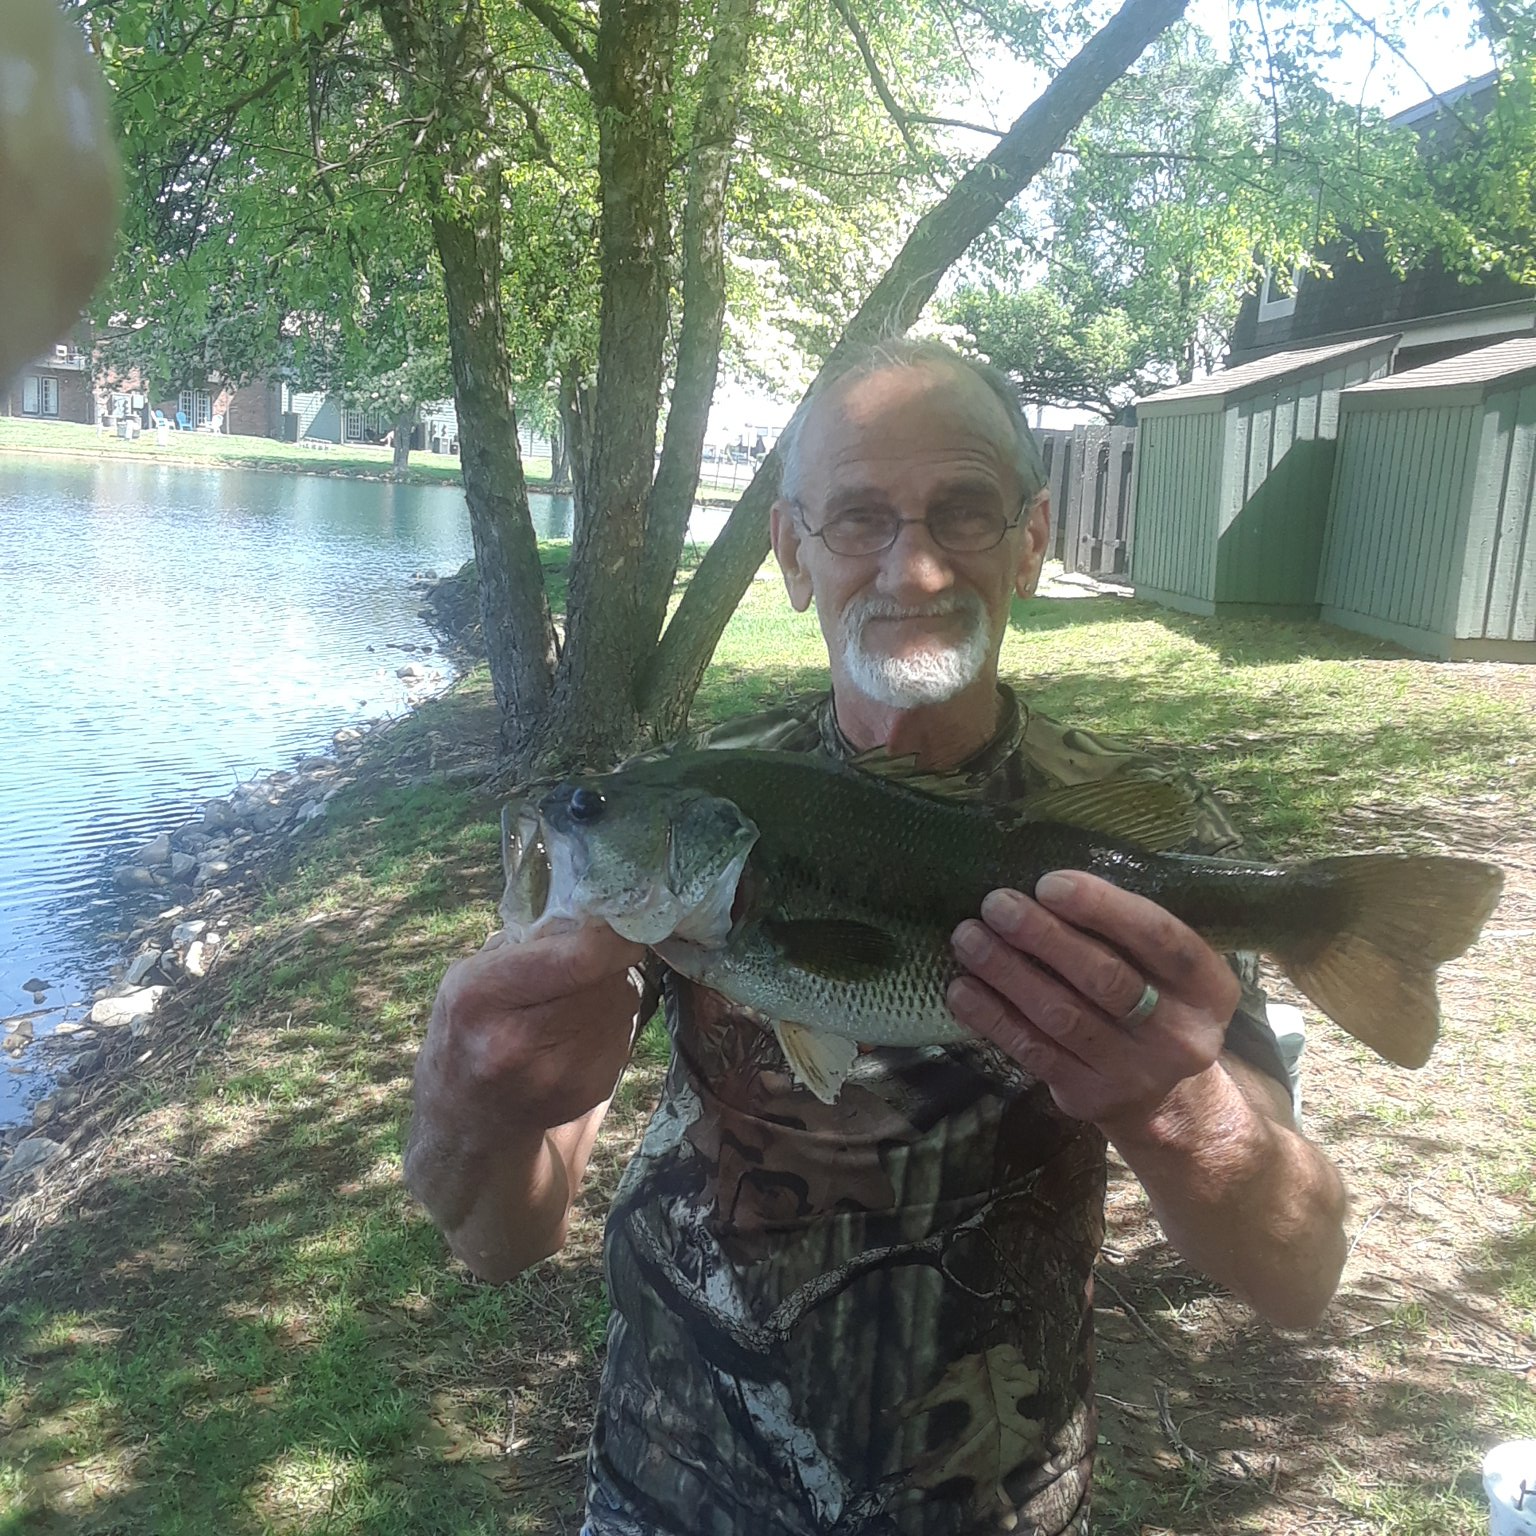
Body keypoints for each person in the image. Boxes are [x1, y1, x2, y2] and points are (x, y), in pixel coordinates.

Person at [405, 338, 1348, 1536]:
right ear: (793, 554)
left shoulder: (1136, 858)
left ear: (1033, 540)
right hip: (674, 1488)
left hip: (991, 1504)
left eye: (965, 510)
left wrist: (1185, 1115)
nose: (915, 563)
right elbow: (502, 1242)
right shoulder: (705, 813)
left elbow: (1300, 1275)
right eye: (857, 519)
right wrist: (468, 1109)